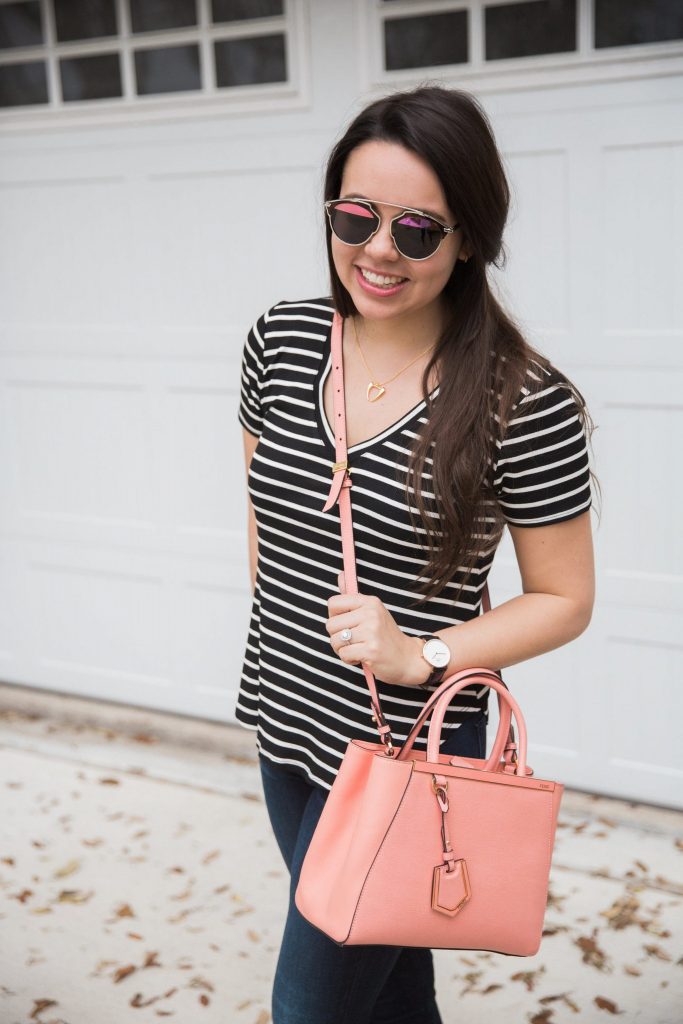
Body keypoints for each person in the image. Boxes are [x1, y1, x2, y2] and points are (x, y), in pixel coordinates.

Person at [235, 85, 597, 1024]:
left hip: (403, 745)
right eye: (354, 216)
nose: (378, 250)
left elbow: (563, 597)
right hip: (286, 713)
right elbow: (265, 515)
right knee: (387, 991)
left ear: (469, 237)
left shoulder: (526, 401)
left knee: (310, 1009)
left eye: (419, 230)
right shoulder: (281, 341)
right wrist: (282, 640)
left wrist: (420, 655)